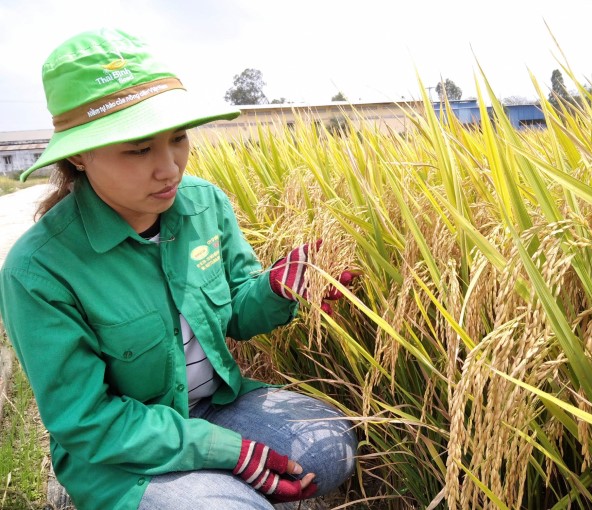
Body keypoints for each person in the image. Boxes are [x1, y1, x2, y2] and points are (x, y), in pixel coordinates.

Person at [0, 28, 357, 510]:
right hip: (119, 451)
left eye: (178, 139)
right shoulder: (40, 270)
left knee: (330, 447)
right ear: (80, 157)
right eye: (138, 149)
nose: (169, 168)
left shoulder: (203, 204)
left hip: (215, 406)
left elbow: (235, 315)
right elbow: (86, 419)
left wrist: (276, 288)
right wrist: (227, 452)